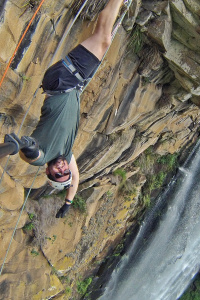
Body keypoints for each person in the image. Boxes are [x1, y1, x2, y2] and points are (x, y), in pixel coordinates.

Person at [17, 0, 128, 218]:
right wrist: (68, 202)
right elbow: (75, 178)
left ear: (48, 171)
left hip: (63, 81)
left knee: (104, 38)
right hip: (73, 82)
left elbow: (31, 157)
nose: (63, 169)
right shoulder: (66, 155)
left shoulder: (44, 155)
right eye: (65, 172)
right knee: (103, 39)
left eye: (57, 173)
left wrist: (26, 149)